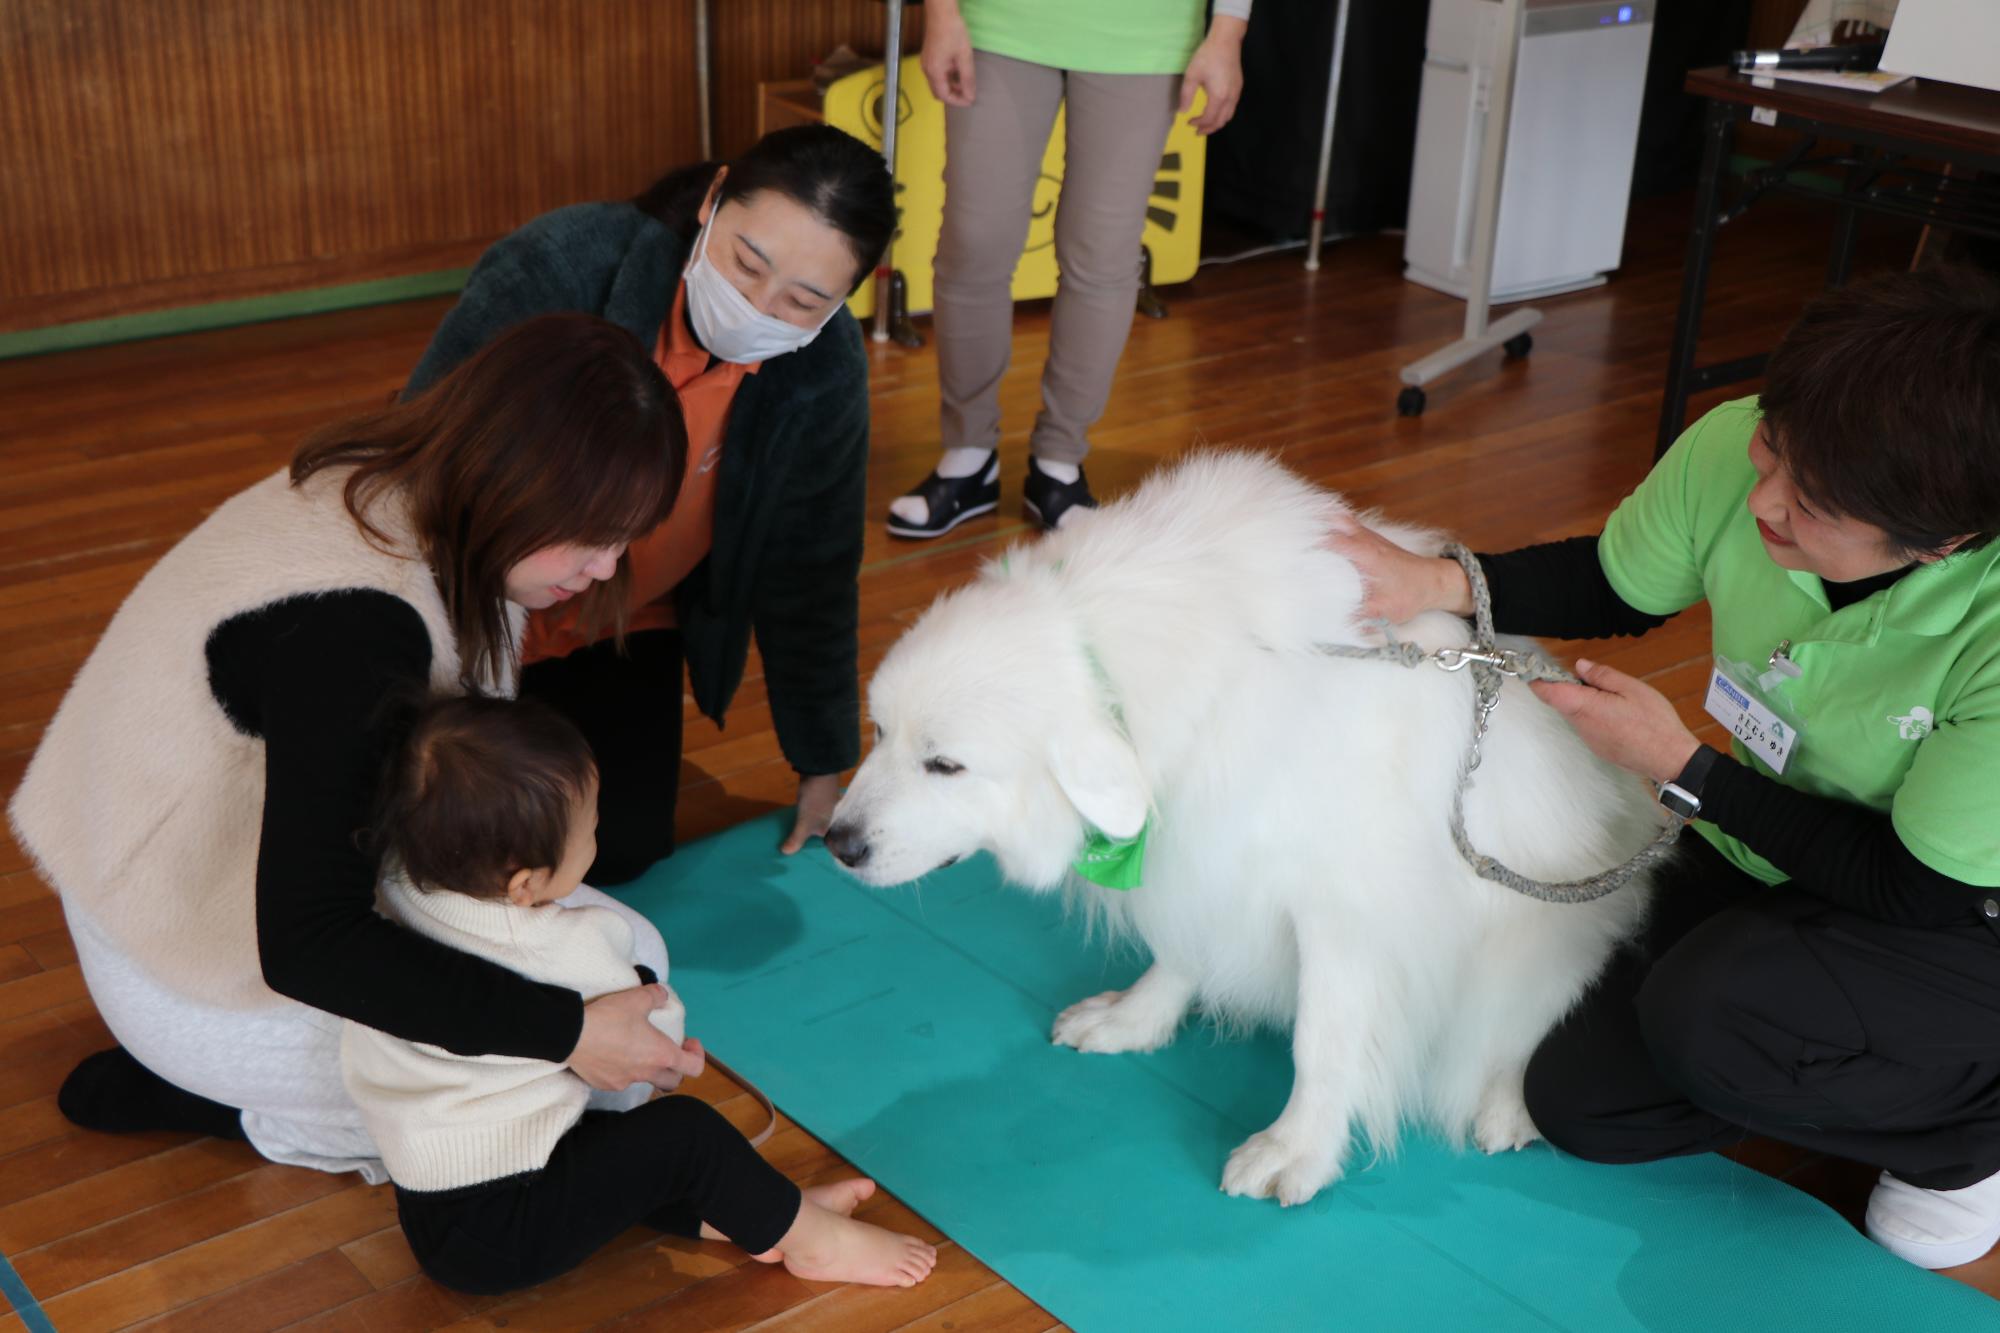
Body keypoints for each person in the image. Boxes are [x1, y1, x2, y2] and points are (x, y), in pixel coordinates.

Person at [1327, 267, 2000, 1271]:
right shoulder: (1742, 448)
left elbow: (1914, 886)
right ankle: (1833, 1056)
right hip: (1777, 841)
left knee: (1710, 1016)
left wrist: (1683, 768)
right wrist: (1435, 580)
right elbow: (1617, 583)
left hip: (1955, 914)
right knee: (1578, 1102)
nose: (1762, 498)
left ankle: (1966, 1132)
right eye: (1771, 447)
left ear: (1943, 541)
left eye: (1810, 503)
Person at [14, 315, 697, 1174]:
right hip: (178, 945)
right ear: (515, 482)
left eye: (622, 538)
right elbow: (309, 942)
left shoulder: (418, 488)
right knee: (540, 1067)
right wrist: (566, 1034)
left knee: (631, 982)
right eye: (591, 538)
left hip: (226, 877)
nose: (605, 569)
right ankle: (232, 1102)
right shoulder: (357, 632)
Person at [406, 124, 894, 879]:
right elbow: (421, 458)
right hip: (481, 611)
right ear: (713, 197)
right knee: (459, 843)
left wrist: (821, 761)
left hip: (625, 621)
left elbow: (813, 568)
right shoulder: (561, 265)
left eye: (802, 301)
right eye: (746, 263)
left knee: (618, 849)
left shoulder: (823, 368)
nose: (757, 307)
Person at [347, 694, 937, 1293]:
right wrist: (671, 1048)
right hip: (507, 1225)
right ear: (524, 884)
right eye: (590, 831)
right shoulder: (556, 945)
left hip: (443, 1211)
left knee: (622, 1151)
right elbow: (647, 1029)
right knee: (685, 1134)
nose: (596, 837)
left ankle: (763, 1214)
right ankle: (818, 1244)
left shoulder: (396, 888)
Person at [886, 0, 1252, 539]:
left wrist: (1228, 33)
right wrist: (940, 13)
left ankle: (1059, 462)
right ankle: (968, 454)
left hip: (1145, 33)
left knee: (1102, 257)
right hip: (1001, 22)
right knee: (975, 244)